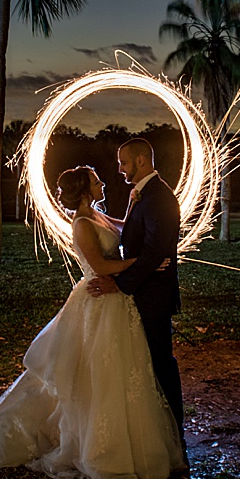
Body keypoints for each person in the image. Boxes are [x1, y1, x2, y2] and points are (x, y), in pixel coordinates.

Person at [0, 166, 185, 479]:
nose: (103, 183)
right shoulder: (82, 224)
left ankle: (120, 441)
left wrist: (135, 204)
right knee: (94, 373)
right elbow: (100, 267)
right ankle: (92, 447)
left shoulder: (98, 215)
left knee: (121, 371)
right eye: (96, 180)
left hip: (117, 302)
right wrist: (144, 264)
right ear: (85, 189)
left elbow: (129, 228)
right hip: (97, 300)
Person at [87, 138, 186, 448]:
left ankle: (174, 432)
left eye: (124, 163)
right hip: (142, 292)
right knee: (146, 363)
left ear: (141, 161)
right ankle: (157, 429)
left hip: (154, 296)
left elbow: (155, 250)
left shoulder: (158, 197)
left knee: (160, 362)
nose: (120, 169)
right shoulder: (143, 195)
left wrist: (119, 283)